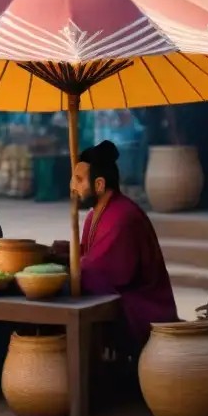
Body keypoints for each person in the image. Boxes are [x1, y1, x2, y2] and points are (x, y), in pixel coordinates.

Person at [72, 140, 178, 358]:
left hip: (142, 306)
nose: (73, 187)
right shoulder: (95, 214)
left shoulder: (123, 217)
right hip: (119, 297)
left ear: (99, 185)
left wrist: (70, 266)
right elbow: (87, 256)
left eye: (79, 180)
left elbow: (105, 272)